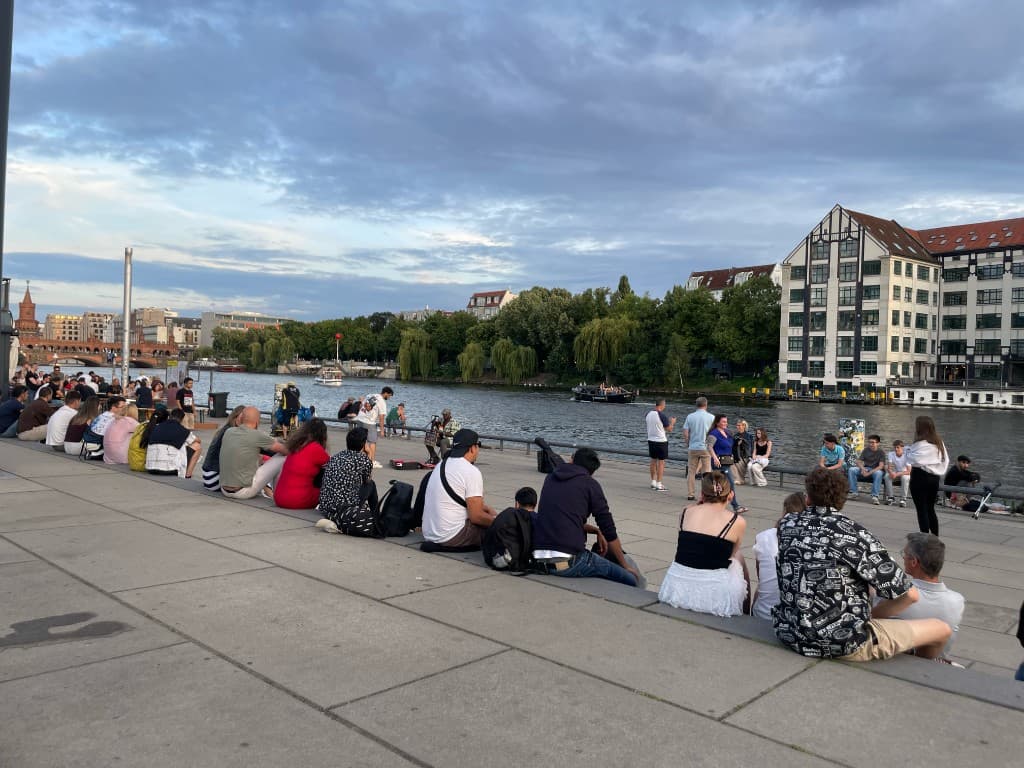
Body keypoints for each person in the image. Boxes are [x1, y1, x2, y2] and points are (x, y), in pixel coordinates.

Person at [773, 467, 952, 661]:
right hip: (842, 643)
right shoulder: (855, 534)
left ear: (808, 498)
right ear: (842, 501)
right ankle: (922, 667)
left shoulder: (787, 524)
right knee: (941, 629)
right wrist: (871, 615)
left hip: (790, 632)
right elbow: (910, 595)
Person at [532, 447, 640, 587]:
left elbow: (563, 518)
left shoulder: (550, 477)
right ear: (592, 471)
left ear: (572, 460)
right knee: (631, 579)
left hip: (539, 558)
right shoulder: (590, 484)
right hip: (569, 562)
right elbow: (609, 530)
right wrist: (625, 565)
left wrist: (595, 530)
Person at [658, 472, 749, 616]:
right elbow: (731, 555)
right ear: (730, 495)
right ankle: (746, 613)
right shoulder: (737, 521)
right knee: (738, 557)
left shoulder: (686, 511)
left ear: (702, 494)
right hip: (713, 595)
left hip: (676, 587)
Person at [891, 533, 965, 659]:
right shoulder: (957, 601)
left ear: (914, 562)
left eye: (905, 554)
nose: (903, 558)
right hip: (935, 664)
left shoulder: (896, 594)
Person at [421, 428, 496, 549]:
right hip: (450, 536)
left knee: (487, 518)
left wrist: (487, 510)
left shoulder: (441, 464)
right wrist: (498, 522)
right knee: (497, 531)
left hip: (430, 533)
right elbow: (476, 516)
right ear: (472, 448)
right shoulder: (471, 471)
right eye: (478, 445)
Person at [751, 492, 805, 620]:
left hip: (764, 614)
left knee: (760, 589)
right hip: (794, 620)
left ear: (785, 510)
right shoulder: (811, 540)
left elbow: (761, 578)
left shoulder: (763, 537)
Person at [219, 406, 287, 499]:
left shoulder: (229, 431)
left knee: (255, 457)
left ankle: (273, 493)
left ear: (241, 419)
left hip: (224, 490)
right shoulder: (257, 435)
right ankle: (277, 495)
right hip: (242, 491)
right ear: (257, 421)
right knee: (282, 457)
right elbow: (286, 450)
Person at [273, 417, 330, 509]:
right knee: (326, 472)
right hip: (297, 500)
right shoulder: (316, 448)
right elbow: (332, 465)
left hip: (279, 498)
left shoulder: (296, 445)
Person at [905, 416, 949, 535]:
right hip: (934, 478)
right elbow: (945, 460)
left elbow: (913, 460)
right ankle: (935, 536)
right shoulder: (939, 443)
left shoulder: (920, 444)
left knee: (921, 509)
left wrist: (907, 451)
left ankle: (924, 537)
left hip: (919, 477)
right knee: (930, 508)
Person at [706, 414, 747, 514]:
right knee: (729, 483)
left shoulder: (727, 432)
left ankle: (712, 503)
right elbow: (709, 447)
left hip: (727, 461)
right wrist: (715, 458)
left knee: (720, 484)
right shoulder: (714, 433)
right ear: (717, 423)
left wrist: (738, 442)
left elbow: (732, 443)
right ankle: (735, 506)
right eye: (723, 422)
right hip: (719, 462)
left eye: (726, 421)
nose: (726, 423)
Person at [145, 408, 202, 478]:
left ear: (169, 416)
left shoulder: (157, 427)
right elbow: (198, 440)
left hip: (150, 468)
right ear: (182, 419)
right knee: (197, 446)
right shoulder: (182, 430)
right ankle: (188, 475)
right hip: (169, 470)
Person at [201, 405, 247, 492]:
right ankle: (269, 494)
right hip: (214, 479)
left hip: (208, 477)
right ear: (235, 417)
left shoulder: (225, 429)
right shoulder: (231, 432)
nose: (244, 421)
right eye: (242, 418)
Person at [682, 396, 714, 501]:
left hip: (693, 447)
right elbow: (714, 434)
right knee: (707, 472)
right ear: (706, 405)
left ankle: (690, 494)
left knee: (691, 471)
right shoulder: (711, 417)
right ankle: (705, 494)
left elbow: (686, 432)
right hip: (706, 448)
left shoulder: (690, 416)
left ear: (696, 405)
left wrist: (688, 443)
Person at [354, 385, 393, 468]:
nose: (389, 398)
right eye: (389, 396)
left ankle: (360, 460)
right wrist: (382, 430)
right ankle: (371, 462)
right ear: (386, 393)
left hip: (360, 418)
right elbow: (381, 417)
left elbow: (361, 405)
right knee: (372, 442)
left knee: (362, 440)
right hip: (369, 422)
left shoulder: (370, 395)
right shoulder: (381, 401)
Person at [645, 398, 676, 492]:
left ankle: (653, 481)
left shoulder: (648, 414)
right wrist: (672, 422)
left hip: (651, 440)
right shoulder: (661, 415)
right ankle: (659, 483)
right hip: (661, 441)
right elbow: (669, 429)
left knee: (653, 461)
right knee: (661, 463)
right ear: (662, 405)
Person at [846, 433, 887, 504]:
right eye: (870, 442)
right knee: (852, 470)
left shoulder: (881, 452)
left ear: (878, 443)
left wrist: (868, 473)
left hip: (876, 470)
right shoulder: (866, 450)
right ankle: (854, 493)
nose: (871, 444)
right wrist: (862, 468)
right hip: (866, 468)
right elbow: (858, 461)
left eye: (873, 442)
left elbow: (880, 466)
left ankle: (875, 496)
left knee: (878, 473)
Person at [885, 439, 912, 507]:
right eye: (895, 447)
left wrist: (896, 474)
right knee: (887, 476)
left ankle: (903, 499)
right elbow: (889, 467)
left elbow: (908, 471)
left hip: (905, 473)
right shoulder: (891, 454)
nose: (896, 449)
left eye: (898, 447)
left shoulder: (907, 455)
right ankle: (891, 497)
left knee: (904, 478)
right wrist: (891, 473)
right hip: (896, 472)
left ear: (902, 448)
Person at [731, 419, 753, 485]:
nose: (739, 427)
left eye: (740, 425)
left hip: (745, 455)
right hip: (736, 454)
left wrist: (742, 443)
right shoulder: (735, 435)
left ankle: (740, 479)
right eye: (737, 425)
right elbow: (732, 446)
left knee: (739, 461)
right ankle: (738, 479)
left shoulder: (749, 436)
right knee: (730, 461)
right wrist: (737, 444)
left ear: (744, 426)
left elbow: (750, 447)